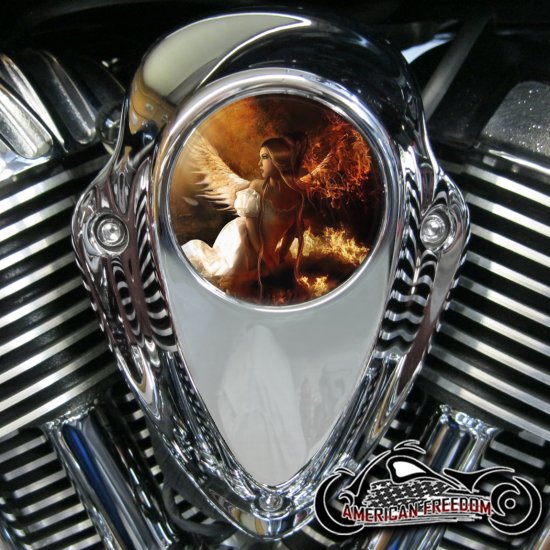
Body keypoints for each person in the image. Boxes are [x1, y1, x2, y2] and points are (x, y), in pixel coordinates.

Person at [182, 132, 309, 301]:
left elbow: (291, 232)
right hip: (246, 242)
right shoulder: (257, 188)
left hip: (268, 251)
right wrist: (268, 262)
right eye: (260, 157)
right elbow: (253, 233)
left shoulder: (297, 196)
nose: (259, 163)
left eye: (264, 157)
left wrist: (278, 258)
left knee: (276, 283)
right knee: (235, 280)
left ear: (279, 159)